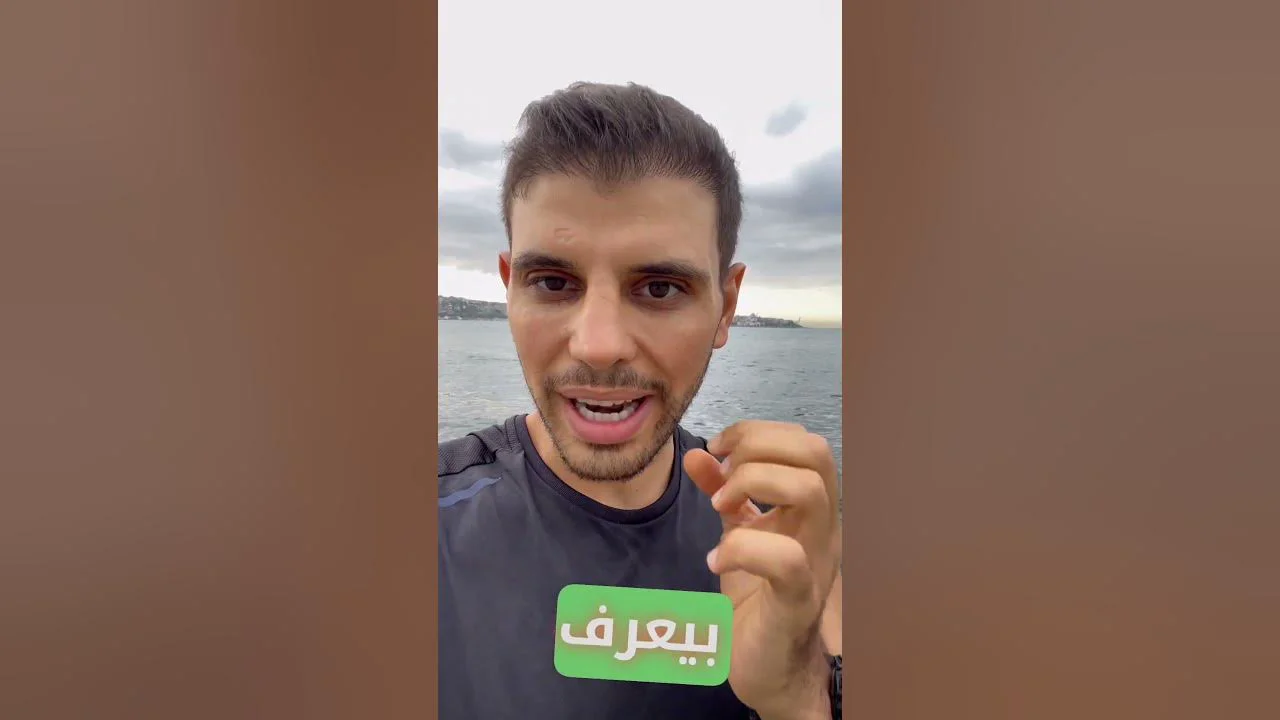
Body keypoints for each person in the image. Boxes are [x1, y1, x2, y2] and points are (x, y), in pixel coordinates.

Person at [438, 81, 843, 720]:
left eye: (659, 288)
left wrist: (797, 696)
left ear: (726, 307)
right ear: (510, 288)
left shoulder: (780, 540)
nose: (599, 346)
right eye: (553, 282)